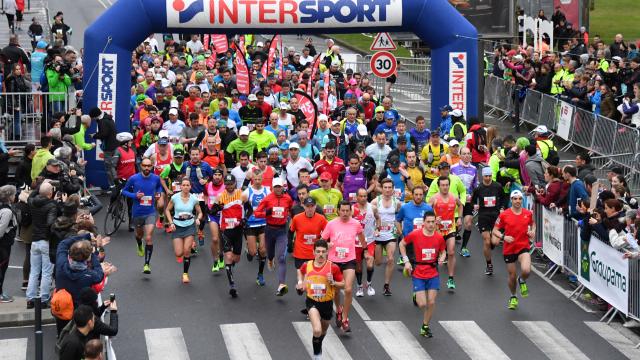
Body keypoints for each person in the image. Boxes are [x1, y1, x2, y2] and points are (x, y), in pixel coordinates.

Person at [320, 201, 366, 333]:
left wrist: (366, 250)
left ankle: (345, 318)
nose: (345, 213)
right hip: (334, 261)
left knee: (348, 289)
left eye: (347, 211)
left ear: (351, 211)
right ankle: (338, 309)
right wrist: (327, 245)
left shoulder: (356, 224)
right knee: (334, 288)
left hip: (349, 260)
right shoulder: (331, 224)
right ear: (338, 211)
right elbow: (322, 241)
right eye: (343, 210)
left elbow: (362, 237)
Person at [295, 240, 345, 360]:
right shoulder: (307, 265)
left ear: (327, 252)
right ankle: (317, 355)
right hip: (312, 302)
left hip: (327, 304)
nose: (321, 254)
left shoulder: (333, 267)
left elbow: (343, 284)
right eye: (318, 251)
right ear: (313, 252)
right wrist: (300, 283)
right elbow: (299, 271)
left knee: (322, 332)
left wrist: (333, 282)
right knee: (317, 330)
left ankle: (318, 344)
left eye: (323, 251)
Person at [399, 211, 446, 338]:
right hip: (418, 272)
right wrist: (406, 261)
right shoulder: (415, 234)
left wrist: (442, 258)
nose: (431, 224)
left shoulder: (439, 237)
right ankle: (416, 294)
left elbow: (443, 251)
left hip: (433, 272)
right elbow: (402, 244)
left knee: (431, 302)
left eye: (433, 222)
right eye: (428, 222)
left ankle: (425, 326)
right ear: (423, 223)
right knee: (422, 304)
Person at [492, 189, 535, 310]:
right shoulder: (504, 214)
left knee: (526, 270)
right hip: (509, 248)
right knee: (512, 276)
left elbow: (533, 224)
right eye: (515, 199)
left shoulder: (528, 213)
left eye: (520, 198)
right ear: (511, 200)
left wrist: (532, 231)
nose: (518, 201)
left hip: (523, 246)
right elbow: (495, 230)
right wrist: (504, 237)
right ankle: (513, 296)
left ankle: (521, 280)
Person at [121, 158, 164, 274]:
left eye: (149, 166)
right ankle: (139, 243)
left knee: (148, 237)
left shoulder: (155, 178)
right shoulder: (133, 178)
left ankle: (146, 264)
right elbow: (123, 191)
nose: (146, 168)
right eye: (144, 166)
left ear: (151, 167)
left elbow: (159, 187)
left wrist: (158, 193)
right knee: (139, 235)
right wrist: (135, 195)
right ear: (141, 166)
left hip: (150, 212)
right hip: (137, 212)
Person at [254, 177, 294, 296]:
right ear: (272, 187)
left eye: (279, 187)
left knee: (281, 258)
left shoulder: (287, 198)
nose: (278, 189)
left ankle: (281, 285)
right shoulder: (267, 199)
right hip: (269, 230)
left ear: (283, 187)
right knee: (270, 253)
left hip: (282, 230)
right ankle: (270, 260)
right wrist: (267, 213)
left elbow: (291, 210)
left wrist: (291, 219)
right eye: (275, 187)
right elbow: (256, 213)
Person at [26, 181, 58, 308]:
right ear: (50, 194)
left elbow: (29, 197)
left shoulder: (32, 202)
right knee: (46, 272)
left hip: (35, 240)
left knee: (34, 271)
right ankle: (44, 299)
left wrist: (40, 186)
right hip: (46, 241)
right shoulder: (52, 205)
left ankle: (30, 298)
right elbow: (50, 223)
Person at [165, 177, 203, 284]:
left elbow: (200, 212)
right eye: (184, 185)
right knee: (178, 253)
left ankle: (185, 274)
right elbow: (167, 210)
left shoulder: (194, 199)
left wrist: (198, 219)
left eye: (188, 185)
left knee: (186, 251)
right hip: (177, 226)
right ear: (180, 186)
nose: (186, 187)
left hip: (190, 226)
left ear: (190, 187)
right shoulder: (175, 198)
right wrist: (171, 222)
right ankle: (184, 252)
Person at [428, 176, 463, 290]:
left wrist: (459, 218)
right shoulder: (434, 198)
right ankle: (432, 278)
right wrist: (433, 219)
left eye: (447, 185)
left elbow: (460, 205)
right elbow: (426, 213)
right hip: (437, 231)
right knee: (434, 256)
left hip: (450, 229)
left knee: (451, 252)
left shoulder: (454, 197)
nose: (445, 187)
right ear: (439, 186)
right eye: (442, 185)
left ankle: (451, 278)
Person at [214, 174, 245, 297]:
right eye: (226, 184)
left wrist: (244, 219)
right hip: (225, 229)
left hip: (238, 229)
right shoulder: (220, 196)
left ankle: (230, 266)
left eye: (231, 184)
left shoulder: (241, 194)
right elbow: (211, 211)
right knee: (228, 255)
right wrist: (217, 207)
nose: (229, 186)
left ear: (235, 183)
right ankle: (232, 285)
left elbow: (248, 207)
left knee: (236, 258)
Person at [472, 167, 505, 275]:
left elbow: (504, 198)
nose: (488, 178)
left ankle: (492, 243)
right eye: (486, 176)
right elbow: (472, 201)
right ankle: (489, 265)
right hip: (483, 216)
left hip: (495, 216)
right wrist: (475, 205)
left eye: (490, 176)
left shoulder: (497, 186)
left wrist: (502, 208)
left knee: (494, 242)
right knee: (486, 241)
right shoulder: (478, 188)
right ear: (483, 176)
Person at [371, 178, 401, 296]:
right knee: (378, 262)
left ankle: (386, 285)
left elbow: (399, 216)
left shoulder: (397, 202)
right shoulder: (375, 202)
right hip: (378, 235)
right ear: (381, 189)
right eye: (385, 187)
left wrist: (399, 229)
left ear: (393, 189)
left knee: (390, 259)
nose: (388, 190)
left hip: (390, 234)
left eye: (390, 188)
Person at [242, 169, 270, 286]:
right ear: (252, 178)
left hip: (263, 223)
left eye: (259, 179)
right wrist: (242, 219)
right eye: (255, 179)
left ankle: (260, 274)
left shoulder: (267, 191)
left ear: (262, 178)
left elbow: (271, 205)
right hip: (251, 224)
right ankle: (249, 248)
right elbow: (239, 206)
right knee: (253, 253)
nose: (257, 181)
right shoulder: (247, 192)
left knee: (263, 251)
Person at [450, 148, 477, 257]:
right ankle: (454, 235)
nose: (467, 156)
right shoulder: (453, 168)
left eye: (468, 154)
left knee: (468, 223)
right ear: (460, 155)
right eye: (464, 154)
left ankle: (464, 248)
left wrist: (475, 201)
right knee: (456, 226)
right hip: (455, 201)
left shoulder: (474, 169)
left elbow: (476, 186)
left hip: (468, 200)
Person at [290, 197, 328, 269]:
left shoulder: (321, 218)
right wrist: (290, 247)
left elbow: (328, 232)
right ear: (303, 206)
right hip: (300, 253)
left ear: (315, 206)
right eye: (307, 206)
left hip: (315, 254)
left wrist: (325, 244)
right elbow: (291, 231)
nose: (310, 209)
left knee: (315, 277)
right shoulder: (296, 218)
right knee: (301, 277)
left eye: (312, 206)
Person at [353, 188, 377, 297]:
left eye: (365, 196)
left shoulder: (372, 208)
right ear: (356, 197)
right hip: (356, 242)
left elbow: (378, 218)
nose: (363, 198)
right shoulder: (352, 209)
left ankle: (369, 284)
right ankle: (359, 287)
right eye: (361, 196)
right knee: (358, 267)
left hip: (370, 240)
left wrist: (378, 229)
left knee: (370, 264)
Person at [0, 185, 18, 303]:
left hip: (4, 245)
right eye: (14, 194)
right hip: (3, 246)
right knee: (1, 269)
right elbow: (1, 229)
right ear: (10, 196)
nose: (15, 196)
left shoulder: (4, 208)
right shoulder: (7, 211)